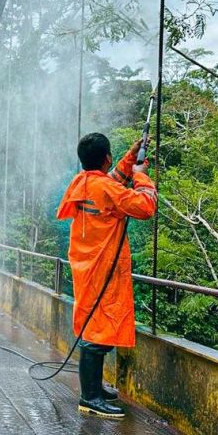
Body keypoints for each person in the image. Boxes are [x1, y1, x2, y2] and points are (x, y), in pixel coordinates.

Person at [55, 133, 157, 420]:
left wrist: (131, 158)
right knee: (99, 328)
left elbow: (111, 180)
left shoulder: (84, 181)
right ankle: (89, 397)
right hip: (103, 267)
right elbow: (145, 206)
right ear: (106, 157)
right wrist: (141, 176)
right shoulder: (106, 188)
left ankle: (94, 388)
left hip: (86, 265)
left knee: (94, 323)